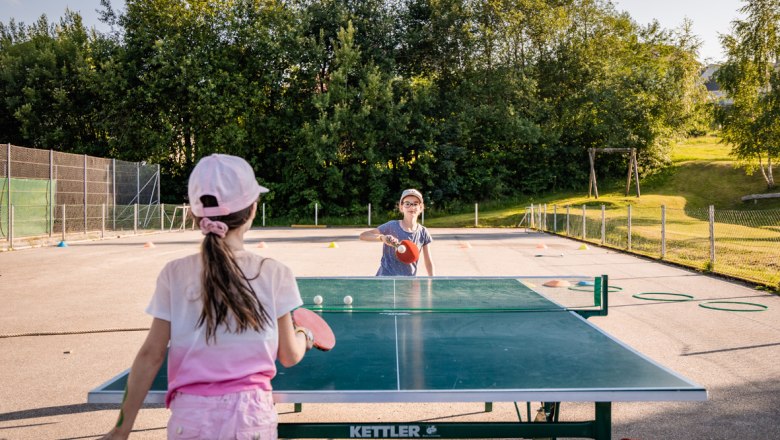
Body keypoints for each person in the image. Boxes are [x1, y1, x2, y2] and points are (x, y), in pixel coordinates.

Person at [100, 154, 313, 440]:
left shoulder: (173, 274)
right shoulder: (276, 273)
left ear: (193, 215)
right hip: (252, 419)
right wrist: (305, 337)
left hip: (191, 418)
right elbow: (289, 355)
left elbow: (151, 355)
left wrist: (121, 430)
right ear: (252, 210)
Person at [359, 188, 435, 276]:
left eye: (415, 204)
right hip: (386, 281)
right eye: (407, 204)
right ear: (401, 207)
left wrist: (431, 281)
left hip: (408, 282)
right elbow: (363, 235)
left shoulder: (423, 232)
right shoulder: (391, 226)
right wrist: (382, 238)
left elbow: (428, 262)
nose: (411, 207)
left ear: (421, 208)